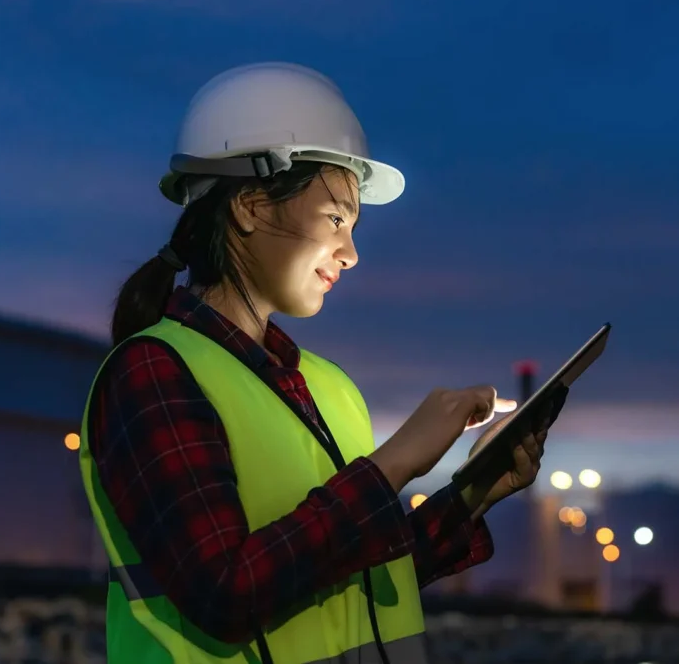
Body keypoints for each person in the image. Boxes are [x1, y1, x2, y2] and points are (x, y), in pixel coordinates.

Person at [78, 63, 556, 664]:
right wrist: (395, 462)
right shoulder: (153, 374)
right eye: (335, 220)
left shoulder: (328, 388)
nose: (351, 254)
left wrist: (474, 491)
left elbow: (354, 577)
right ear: (251, 206)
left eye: (353, 227)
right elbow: (225, 593)